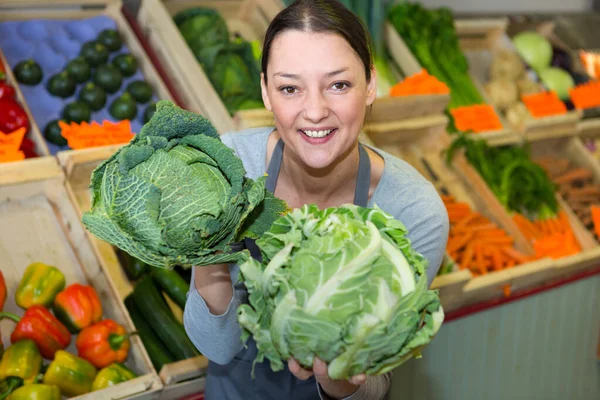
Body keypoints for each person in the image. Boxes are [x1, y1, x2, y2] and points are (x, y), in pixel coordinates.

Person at [183, 1, 449, 399]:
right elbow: (218, 347)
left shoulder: (414, 210)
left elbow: (376, 382)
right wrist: (207, 256)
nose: (314, 111)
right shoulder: (231, 167)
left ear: (371, 85)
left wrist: (337, 374)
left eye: (338, 85)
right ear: (265, 93)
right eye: (290, 88)